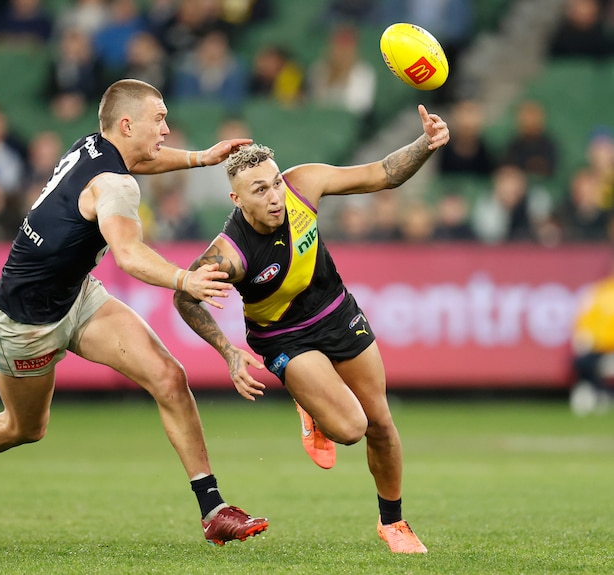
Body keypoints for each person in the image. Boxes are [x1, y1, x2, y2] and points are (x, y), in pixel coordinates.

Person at [0, 79, 269, 546]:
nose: (166, 127)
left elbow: (140, 157)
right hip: (23, 325)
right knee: (25, 428)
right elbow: (128, 253)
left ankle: (214, 509)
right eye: (158, 118)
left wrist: (200, 158)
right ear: (127, 124)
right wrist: (184, 279)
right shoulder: (115, 185)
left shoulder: (98, 146)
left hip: (76, 296)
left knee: (168, 376)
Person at [172, 104, 450, 554]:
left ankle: (393, 524)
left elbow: (384, 174)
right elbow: (184, 296)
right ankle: (312, 405)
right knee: (351, 427)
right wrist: (226, 350)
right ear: (237, 201)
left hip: (337, 312)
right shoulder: (229, 253)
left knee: (379, 422)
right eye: (259, 190)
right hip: (285, 337)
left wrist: (426, 142)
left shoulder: (305, 185)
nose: (275, 196)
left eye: (276, 182)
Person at [569, 257, 614, 416]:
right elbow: (585, 321)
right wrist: (584, 338)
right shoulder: (599, 292)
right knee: (582, 362)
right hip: (601, 348)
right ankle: (602, 394)